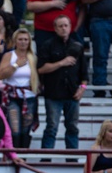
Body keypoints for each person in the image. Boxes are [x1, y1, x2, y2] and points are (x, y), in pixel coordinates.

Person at [37, 15, 87, 150]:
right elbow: (41, 69)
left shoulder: (77, 46)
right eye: (60, 26)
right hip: (53, 94)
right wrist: (61, 63)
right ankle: (46, 158)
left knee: (72, 127)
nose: (64, 29)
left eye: (66, 25)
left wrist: (82, 89)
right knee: (51, 127)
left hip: (72, 94)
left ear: (70, 27)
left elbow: (84, 74)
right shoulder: (47, 45)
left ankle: (72, 157)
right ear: (55, 28)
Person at [0, 28, 39, 150]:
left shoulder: (33, 57)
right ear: (15, 41)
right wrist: (16, 65)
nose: (23, 42)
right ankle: (13, 155)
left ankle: (24, 157)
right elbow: (1, 75)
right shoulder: (9, 55)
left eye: (26, 39)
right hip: (12, 96)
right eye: (20, 39)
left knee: (26, 130)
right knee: (15, 129)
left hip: (29, 96)